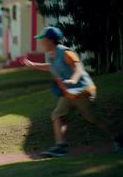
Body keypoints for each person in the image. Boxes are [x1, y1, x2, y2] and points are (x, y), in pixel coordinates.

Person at [22, 26, 123, 157]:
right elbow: (51, 67)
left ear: (50, 40)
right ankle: (61, 147)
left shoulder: (65, 52)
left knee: (93, 118)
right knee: (57, 115)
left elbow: (78, 66)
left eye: (42, 39)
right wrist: (34, 65)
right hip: (69, 93)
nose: (40, 42)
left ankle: (119, 138)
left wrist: (74, 79)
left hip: (82, 91)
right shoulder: (52, 56)